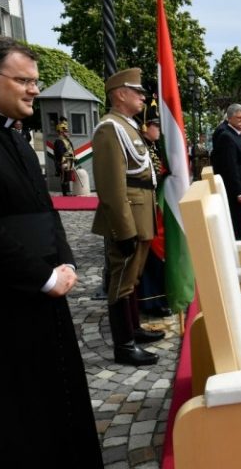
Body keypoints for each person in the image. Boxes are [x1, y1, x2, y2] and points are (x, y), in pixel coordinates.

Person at [0, 34, 103, 467]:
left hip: (44, 294)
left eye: (35, 81)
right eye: (23, 80)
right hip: (0, 304)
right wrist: (43, 277)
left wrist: (65, 260)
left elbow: (45, 208)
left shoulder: (15, 135)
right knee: (18, 414)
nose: (34, 90)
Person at [92, 67, 164, 366]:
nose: (143, 97)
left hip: (141, 212)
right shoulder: (110, 127)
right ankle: (124, 346)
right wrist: (123, 230)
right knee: (121, 280)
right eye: (138, 91)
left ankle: (133, 329)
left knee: (132, 277)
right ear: (121, 94)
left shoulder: (128, 126)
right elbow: (111, 186)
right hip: (127, 217)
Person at [136, 101, 173, 318]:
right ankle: (151, 301)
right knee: (151, 256)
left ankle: (158, 298)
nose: (158, 129)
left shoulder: (151, 147)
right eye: (155, 125)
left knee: (156, 255)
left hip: (155, 208)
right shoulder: (141, 148)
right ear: (144, 126)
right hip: (145, 209)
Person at [209, 103, 241, 240]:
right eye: (239, 118)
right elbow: (230, 167)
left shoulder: (235, 133)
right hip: (237, 189)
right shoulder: (226, 136)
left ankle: (239, 237)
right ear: (229, 118)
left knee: (240, 221)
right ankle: (237, 241)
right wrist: (239, 192)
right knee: (236, 221)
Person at [53, 116, 76, 196]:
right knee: (64, 177)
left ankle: (67, 192)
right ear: (62, 132)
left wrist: (73, 157)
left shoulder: (67, 140)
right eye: (66, 132)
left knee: (68, 176)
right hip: (63, 161)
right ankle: (65, 194)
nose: (67, 133)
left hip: (69, 160)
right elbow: (60, 152)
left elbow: (71, 149)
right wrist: (67, 156)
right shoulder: (59, 141)